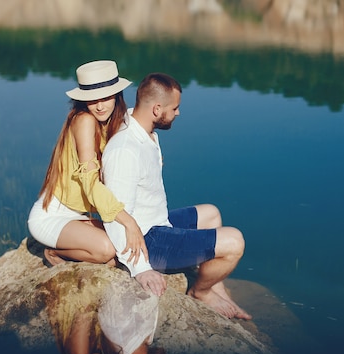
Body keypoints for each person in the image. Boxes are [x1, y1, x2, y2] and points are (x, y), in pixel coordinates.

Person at [101, 72, 251, 320]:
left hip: (158, 221)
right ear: (157, 109)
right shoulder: (126, 150)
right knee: (235, 241)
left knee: (211, 213)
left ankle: (215, 285)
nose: (178, 113)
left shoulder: (140, 127)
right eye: (175, 108)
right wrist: (141, 269)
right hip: (150, 240)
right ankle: (200, 292)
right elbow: (115, 216)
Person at [27, 60, 147, 267]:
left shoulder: (113, 121)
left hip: (78, 215)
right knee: (107, 250)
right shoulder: (85, 120)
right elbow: (90, 183)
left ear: (117, 95)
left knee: (122, 251)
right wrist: (129, 222)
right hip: (51, 216)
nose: (100, 106)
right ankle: (54, 252)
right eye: (92, 99)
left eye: (106, 97)